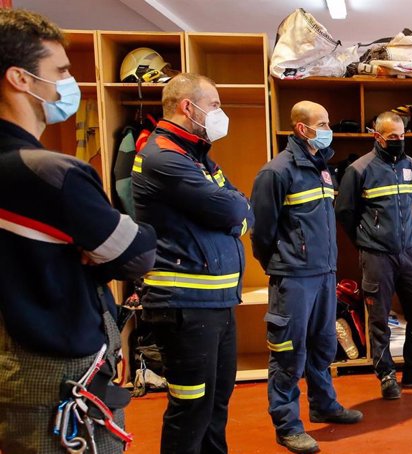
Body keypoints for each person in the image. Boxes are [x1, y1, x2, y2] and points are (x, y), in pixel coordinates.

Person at [0, 9, 156, 453]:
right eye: (62, 71)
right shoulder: (49, 173)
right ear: (21, 79)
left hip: (17, 371)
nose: (72, 82)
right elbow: (137, 253)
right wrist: (105, 243)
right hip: (59, 379)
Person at [131, 73, 253, 454]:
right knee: (191, 409)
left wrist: (234, 212)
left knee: (216, 404)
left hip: (217, 304)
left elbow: (239, 207)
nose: (220, 113)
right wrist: (234, 213)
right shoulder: (162, 157)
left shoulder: (196, 155)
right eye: (214, 105)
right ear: (189, 106)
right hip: (184, 306)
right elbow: (234, 207)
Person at [251, 100, 363, 454]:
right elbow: (261, 232)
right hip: (294, 278)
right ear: (302, 128)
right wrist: (283, 263)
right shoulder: (276, 172)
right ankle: (287, 426)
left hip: (324, 274)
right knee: (288, 354)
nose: (329, 129)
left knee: (323, 345)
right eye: (324, 123)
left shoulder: (322, 169)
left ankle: (324, 404)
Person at [335, 111, 412, 400]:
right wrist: (366, 240)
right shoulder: (359, 170)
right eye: (392, 137)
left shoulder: (411, 165)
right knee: (379, 318)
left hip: (409, 251)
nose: (398, 141)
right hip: (376, 255)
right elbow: (345, 213)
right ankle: (385, 375)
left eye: (402, 136)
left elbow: (410, 204)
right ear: (377, 136)